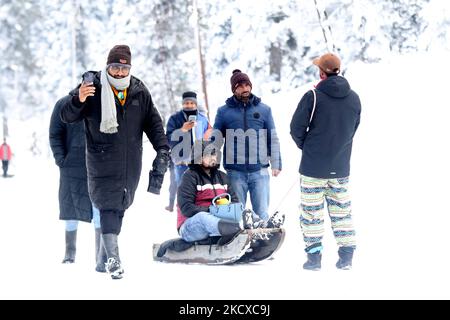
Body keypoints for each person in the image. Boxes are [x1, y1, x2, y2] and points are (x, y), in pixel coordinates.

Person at [61, 45, 170, 279]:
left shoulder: (139, 90)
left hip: (130, 162)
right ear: (107, 66)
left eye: (124, 68)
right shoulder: (92, 87)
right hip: (101, 159)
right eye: (114, 67)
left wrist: (162, 147)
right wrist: (78, 100)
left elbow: (153, 123)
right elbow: (67, 115)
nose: (119, 72)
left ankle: (102, 260)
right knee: (108, 205)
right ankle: (114, 259)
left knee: (120, 206)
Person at [290, 53, 361, 271]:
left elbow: (295, 129)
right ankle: (346, 258)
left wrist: (309, 149)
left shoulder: (312, 96)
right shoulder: (354, 98)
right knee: (342, 212)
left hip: (313, 168)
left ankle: (314, 260)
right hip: (340, 167)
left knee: (311, 214)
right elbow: (353, 129)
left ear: (321, 72)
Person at [213, 69, 282, 222]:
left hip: (260, 171)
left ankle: (263, 244)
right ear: (234, 89)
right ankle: (238, 244)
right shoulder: (224, 112)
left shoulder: (264, 110)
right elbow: (216, 138)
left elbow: (272, 137)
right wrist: (210, 160)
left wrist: (276, 162)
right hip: (235, 172)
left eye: (247, 85)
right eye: (240, 86)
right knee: (237, 215)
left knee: (262, 214)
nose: (245, 89)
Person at [49, 95, 104, 269]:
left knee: (99, 211)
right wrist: (61, 160)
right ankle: (69, 253)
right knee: (70, 208)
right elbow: (55, 134)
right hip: (71, 166)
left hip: (97, 165)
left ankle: (100, 257)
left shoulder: (102, 103)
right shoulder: (64, 104)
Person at [177, 140, 245, 243]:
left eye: (215, 155)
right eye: (209, 155)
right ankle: (232, 231)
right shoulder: (189, 176)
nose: (213, 158)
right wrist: (212, 210)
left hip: (218, 223)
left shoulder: (223, 177)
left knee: (243, 210)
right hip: (190, 227)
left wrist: (229, 212)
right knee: (203, 217)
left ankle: (257, 228)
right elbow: (186, 208)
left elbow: (234, 202)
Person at [166, 91, 211, 187]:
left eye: (192, 103)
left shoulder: (203, 119)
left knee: (201, 191)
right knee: (183, 191)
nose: (189, 105)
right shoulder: (174, 119)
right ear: (183, 104)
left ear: (196, 104)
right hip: (182, 163)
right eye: (187, 103)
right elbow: (167, 141)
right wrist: (182, 130)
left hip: (200, 163)